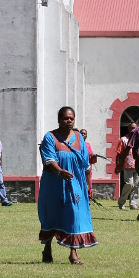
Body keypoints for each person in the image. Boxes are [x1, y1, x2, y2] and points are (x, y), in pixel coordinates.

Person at [38, 106, 96, 265]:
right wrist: (59, 171)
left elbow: (85, 162)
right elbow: (48, 159)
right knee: (51, 215)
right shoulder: (50, 137)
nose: (69, 121)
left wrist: (88, 183)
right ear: (59, 120)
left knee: (74, 215)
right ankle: (47, 250)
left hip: (75, 183)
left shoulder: (78, 137)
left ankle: (73, 253)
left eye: (71, 118)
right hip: (53, 183)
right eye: (65, 118)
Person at [116, 131, 139, 210]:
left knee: (136, 186)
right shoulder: (123, 139)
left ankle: (133, 204)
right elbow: (119, 153)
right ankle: (121, 201)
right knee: (129, 184)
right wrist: (118, 165)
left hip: (138, 166)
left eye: (135, 128)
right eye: (132, 127)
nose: (133, 129)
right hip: (127, 166)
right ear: (128, 129)